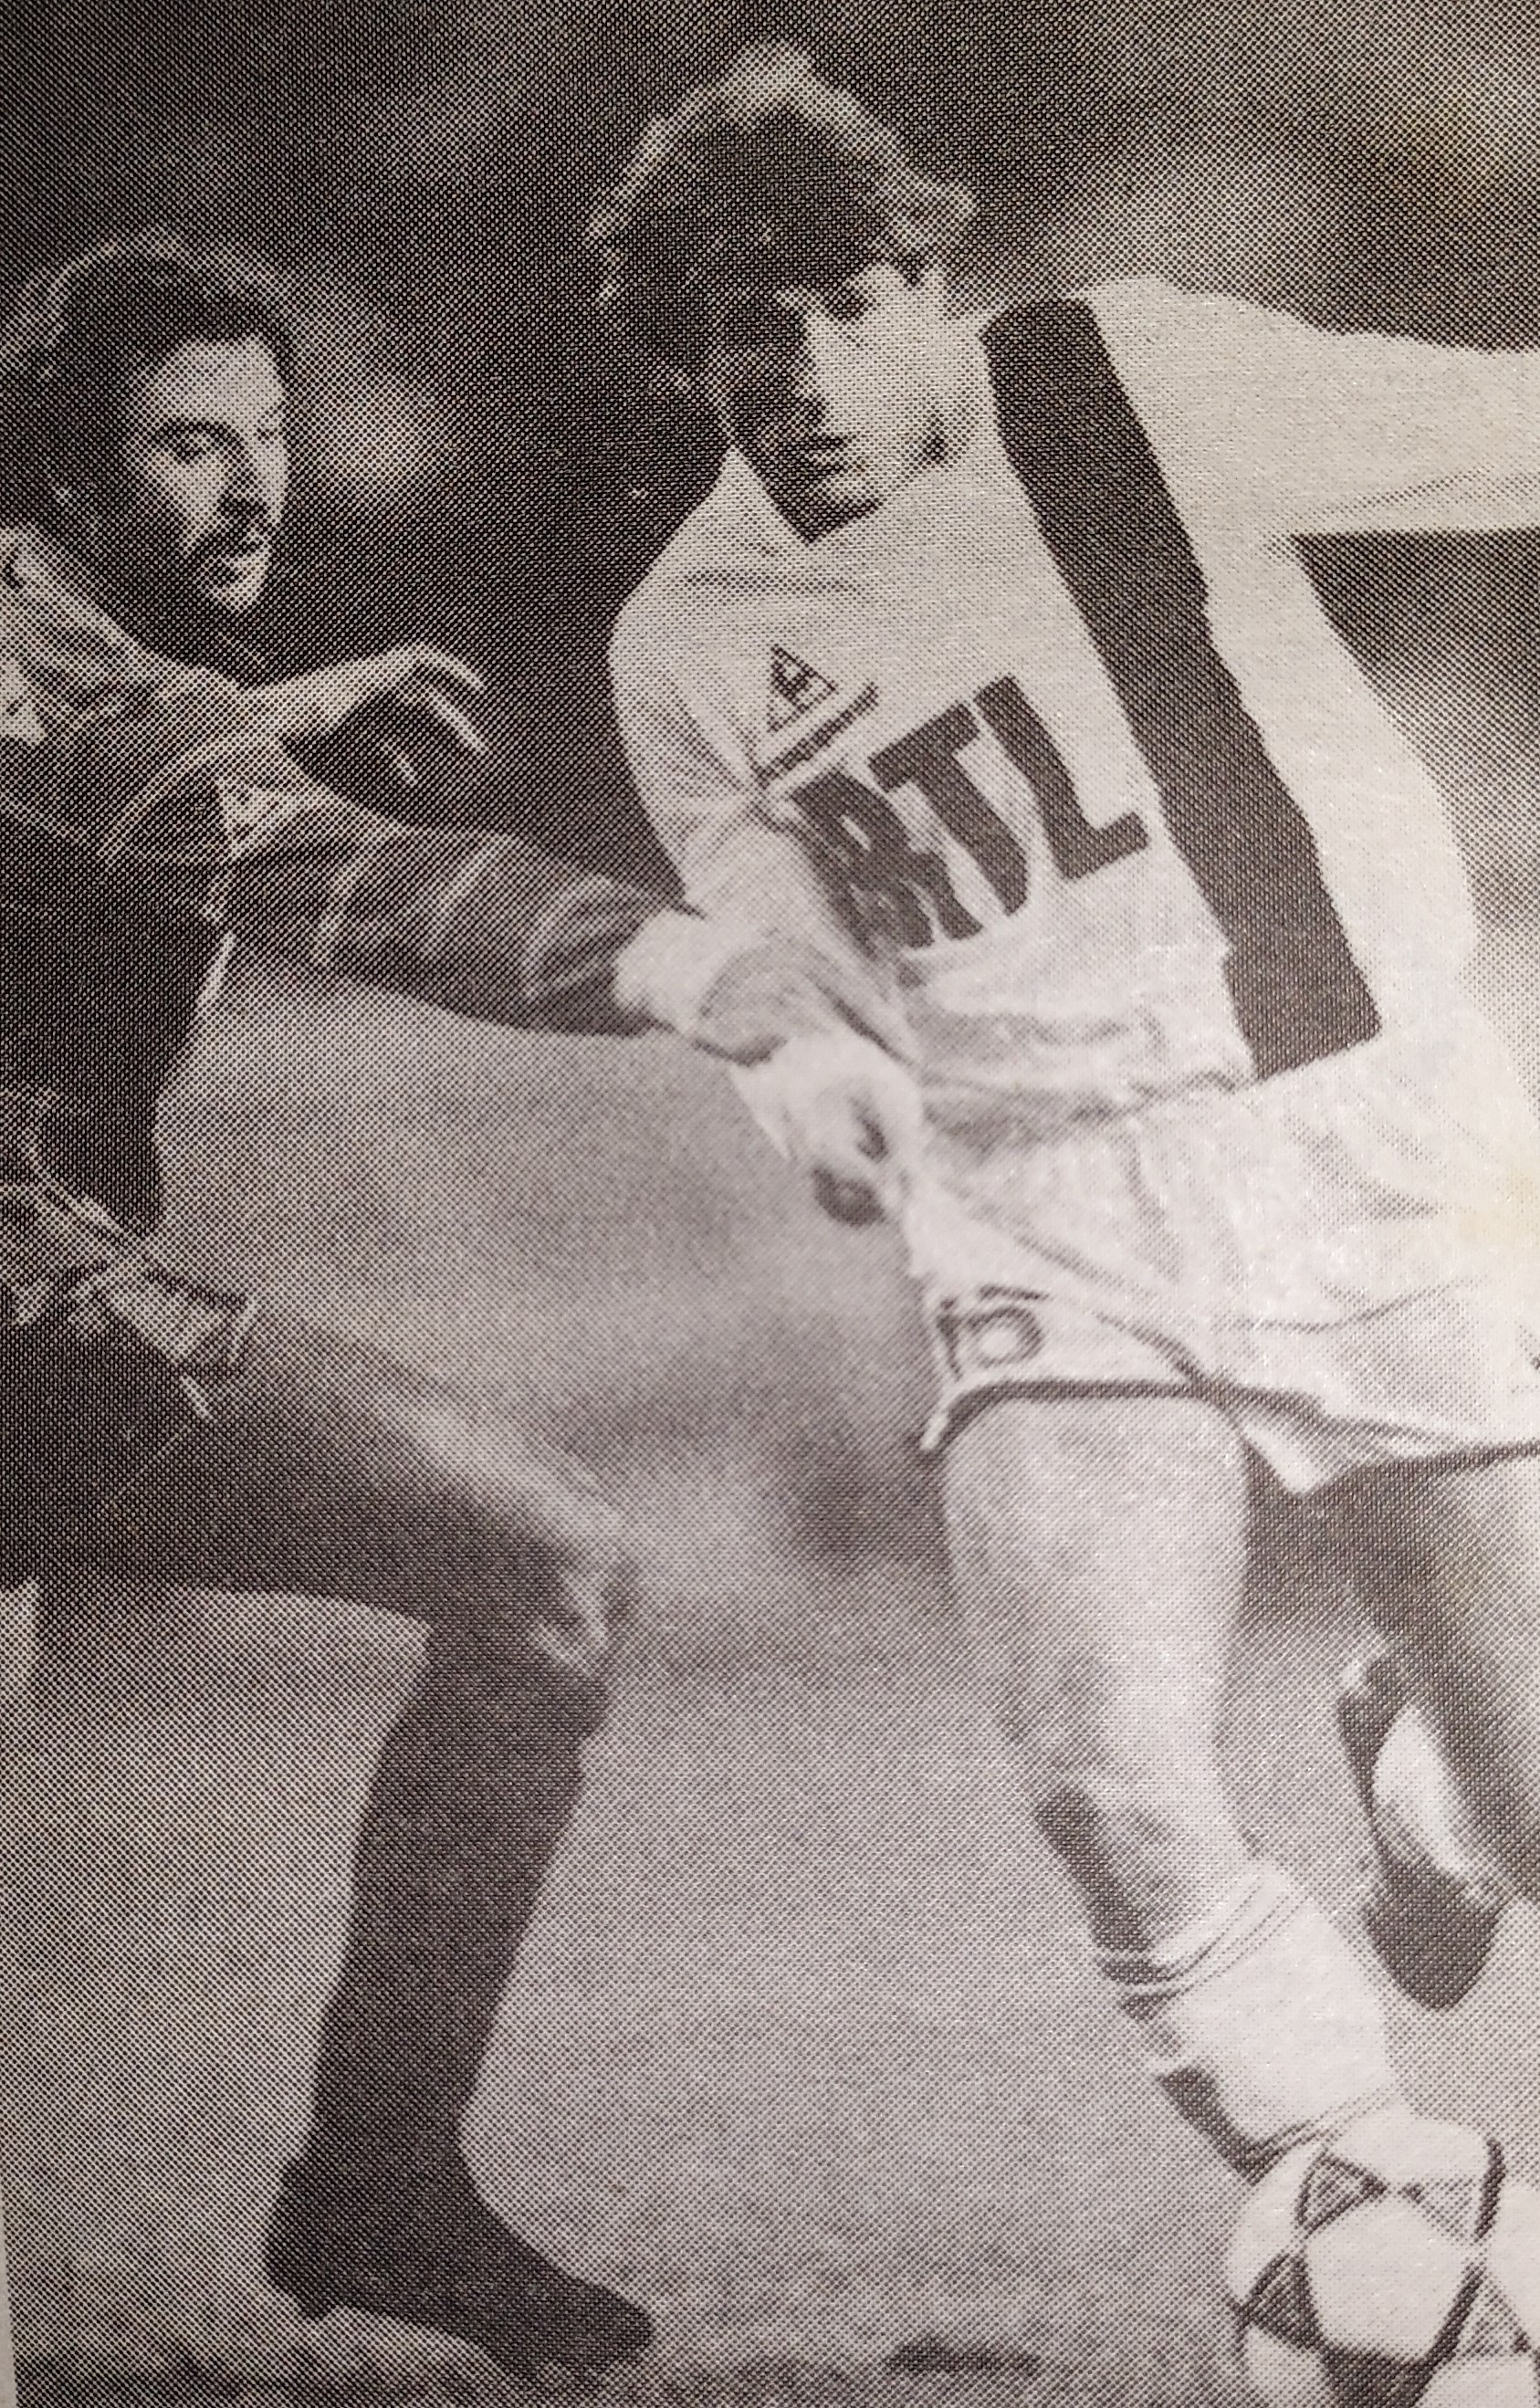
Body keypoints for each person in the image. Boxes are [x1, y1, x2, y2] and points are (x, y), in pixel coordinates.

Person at [592, 43, 1540, 2202]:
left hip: (1364, 1132)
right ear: (689, 353)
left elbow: (1509, 426)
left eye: (854, 306)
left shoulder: (1133, 385)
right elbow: (776, 953)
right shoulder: (689, 641)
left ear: (931, 282)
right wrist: (807, 1083)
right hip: (1036, 1195)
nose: (813, 375)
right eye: (753, 328)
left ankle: (1436, 1792)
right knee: (1105, 1785)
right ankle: (1381, 2216)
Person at [0, 229, 897, 2383]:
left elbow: (114, 770)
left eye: (268, 434)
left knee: (538, 1568)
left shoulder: (71, 654)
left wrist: (276, 710)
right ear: (69, 475)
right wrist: (698, 967)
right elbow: (368, 886)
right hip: (28, 1307)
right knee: (545, 1555)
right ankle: (379, 2174)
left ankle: (383, 2180)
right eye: (186, 444)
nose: (252, 487)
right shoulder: (68, 690)